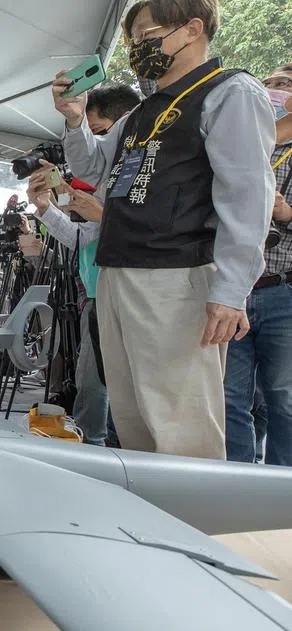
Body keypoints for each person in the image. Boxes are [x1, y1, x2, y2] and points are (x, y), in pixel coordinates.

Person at [53, 0, 273, 459]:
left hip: (176, 273)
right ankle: (152, 514)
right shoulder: (141, 111)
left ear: (192, 29)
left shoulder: (229, 92)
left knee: (180, 419)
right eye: (133, 41)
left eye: (148, 37)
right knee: (133, 415)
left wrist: (231, 290)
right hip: (117, 271)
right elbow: (94, 168)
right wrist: (75, 119)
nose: (138, 49)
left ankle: (195, 521)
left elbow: (247, 195)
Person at [29, 84, 141, 447]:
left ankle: (108, 452)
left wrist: (102, 214)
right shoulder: (100, 183)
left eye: (99, 136)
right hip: (95, 294)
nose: (95, 150)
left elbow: (152, 234)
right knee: (92, 382)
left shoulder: (144, 174)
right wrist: (46, 207)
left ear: (125, 126)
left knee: (114, 389)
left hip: (135, 294)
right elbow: (80, 238)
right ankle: (98, 449)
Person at [224, 64, 292, 466]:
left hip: (282, 292)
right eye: (267, 85)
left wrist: (286, 214)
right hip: (234, 290)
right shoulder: (245, 146)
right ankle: (237, 482)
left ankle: (280, 489)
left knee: (282, 397)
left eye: (283, 85)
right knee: (230, 396)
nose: (273, 92)